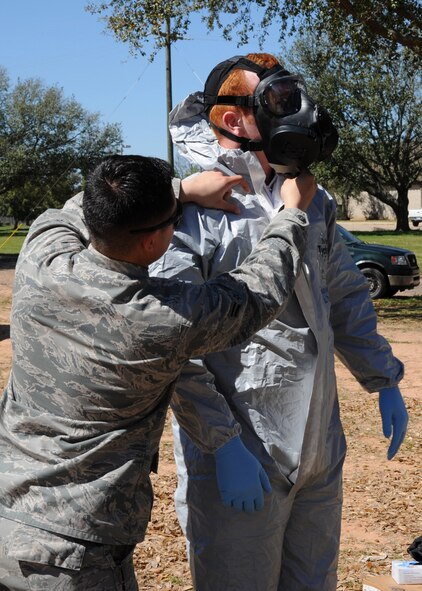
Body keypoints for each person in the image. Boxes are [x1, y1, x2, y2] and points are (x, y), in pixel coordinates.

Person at [150, 53, 409, 591]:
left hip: (318, 444)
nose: (297, 113)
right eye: (277, 102)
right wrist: (221, 444)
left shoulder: (313, 200)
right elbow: (175, 340)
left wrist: (381, 377)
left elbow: (344, 295)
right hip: (243, 448)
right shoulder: (193, 210)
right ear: (231, 120)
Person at [0, 154, 316, 590]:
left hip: (6, 519)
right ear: (153, 243)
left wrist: (181, 191)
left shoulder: (41, 259)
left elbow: (71, 208)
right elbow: (259, 290)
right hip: (76, 554)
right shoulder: (162, 318)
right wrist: (292, 213)